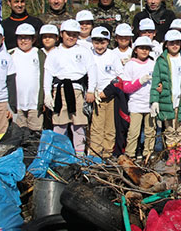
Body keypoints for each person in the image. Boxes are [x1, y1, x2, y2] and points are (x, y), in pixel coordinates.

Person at [43, 20, 97, 154]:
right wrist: (47, 94)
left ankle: (79, 155)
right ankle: (59, 154)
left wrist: (91, 90)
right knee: (59, 125)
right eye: (68, 34)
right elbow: (48, 74)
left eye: (74, 34)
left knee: (78, 126)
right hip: (59, 90)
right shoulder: (54, 53)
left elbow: (92, 71)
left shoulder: (84, 51)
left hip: (77, 90)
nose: (71, 37)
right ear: (62, 34)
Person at [150, 29, 181, 151]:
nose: (174, 45)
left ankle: (178, 156)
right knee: (169, 130)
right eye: (171, 43)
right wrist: (154, 100)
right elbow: (156, 81)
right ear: (166, 44)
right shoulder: (161, 61)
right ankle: (171, 155)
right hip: (167, 101)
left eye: (177, 43)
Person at [89, 26, 123, 158]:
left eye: (102, 42)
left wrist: (108, 91)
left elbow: (120, 75)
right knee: (97, 127)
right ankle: (95, 154)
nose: (99, 46)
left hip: (110, 96)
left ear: (108, 42)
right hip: (95, 96)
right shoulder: (89, 54)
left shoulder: (112, 56)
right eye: (96, 42)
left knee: (110, 127)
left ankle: (107, 154)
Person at [121, 36, 156, 161]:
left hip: (150, 104)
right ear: (135, 50)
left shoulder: (153, 64)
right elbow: (126, 87)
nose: (144, 51)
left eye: (147, 48)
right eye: (142, 48)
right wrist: (140, 82)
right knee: (133, 132)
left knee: (150, 132)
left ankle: (148, 155)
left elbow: (159, 83)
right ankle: (130, 155)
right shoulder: (130, 65)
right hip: (136, 104)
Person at [10, 23, 43, 132]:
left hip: (34, 104)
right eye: (20, 38)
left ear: (33, 39)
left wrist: (42, 100)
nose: (23, 41)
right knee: (18, 134)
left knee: (35, 134)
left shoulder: (39, 54)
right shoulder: (11, 54)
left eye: (26, 38)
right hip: (17, 104)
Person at [38, 24, 60, 130]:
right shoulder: (38, 53)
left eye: (50, 36)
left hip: (57, 91)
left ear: (57, 38)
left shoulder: (61, 52)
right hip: (40, 93)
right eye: (44, 36)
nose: (47, 39)